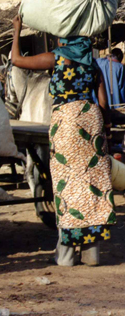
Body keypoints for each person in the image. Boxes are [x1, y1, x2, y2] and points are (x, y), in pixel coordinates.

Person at [11, 15, 115, 267]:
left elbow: (16, 60)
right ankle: (92, 253)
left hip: (66, 123)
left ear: (64, 37)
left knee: (67, 185)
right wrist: (105, 127)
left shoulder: (57, 58)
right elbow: (103, 104)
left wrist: (17, 30)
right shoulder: (92, 63)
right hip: (90, 121)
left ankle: (67, 255)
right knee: (92, 184)